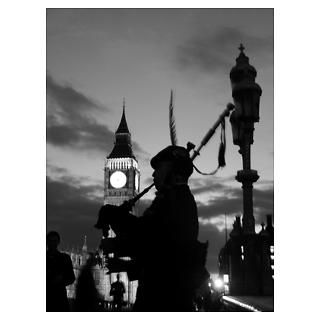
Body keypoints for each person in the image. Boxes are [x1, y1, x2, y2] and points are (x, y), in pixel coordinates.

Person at [98, 145, 204, 311]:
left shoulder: (174, 201)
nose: (154, 174)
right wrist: (125, 265)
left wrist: (115, 221)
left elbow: (149, 238)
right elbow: (159, 255)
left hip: (164, 299)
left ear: (171, 171)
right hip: (164, 294)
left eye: (159, 168)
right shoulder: (172, 198)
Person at [46, 231, 75, 312]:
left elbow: (71, 278)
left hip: (59, 298)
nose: (52, 244)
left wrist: (61, 280)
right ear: (46, 242)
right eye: (50, 241)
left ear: (58, 242)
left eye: (54, 241)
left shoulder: (65, 258)